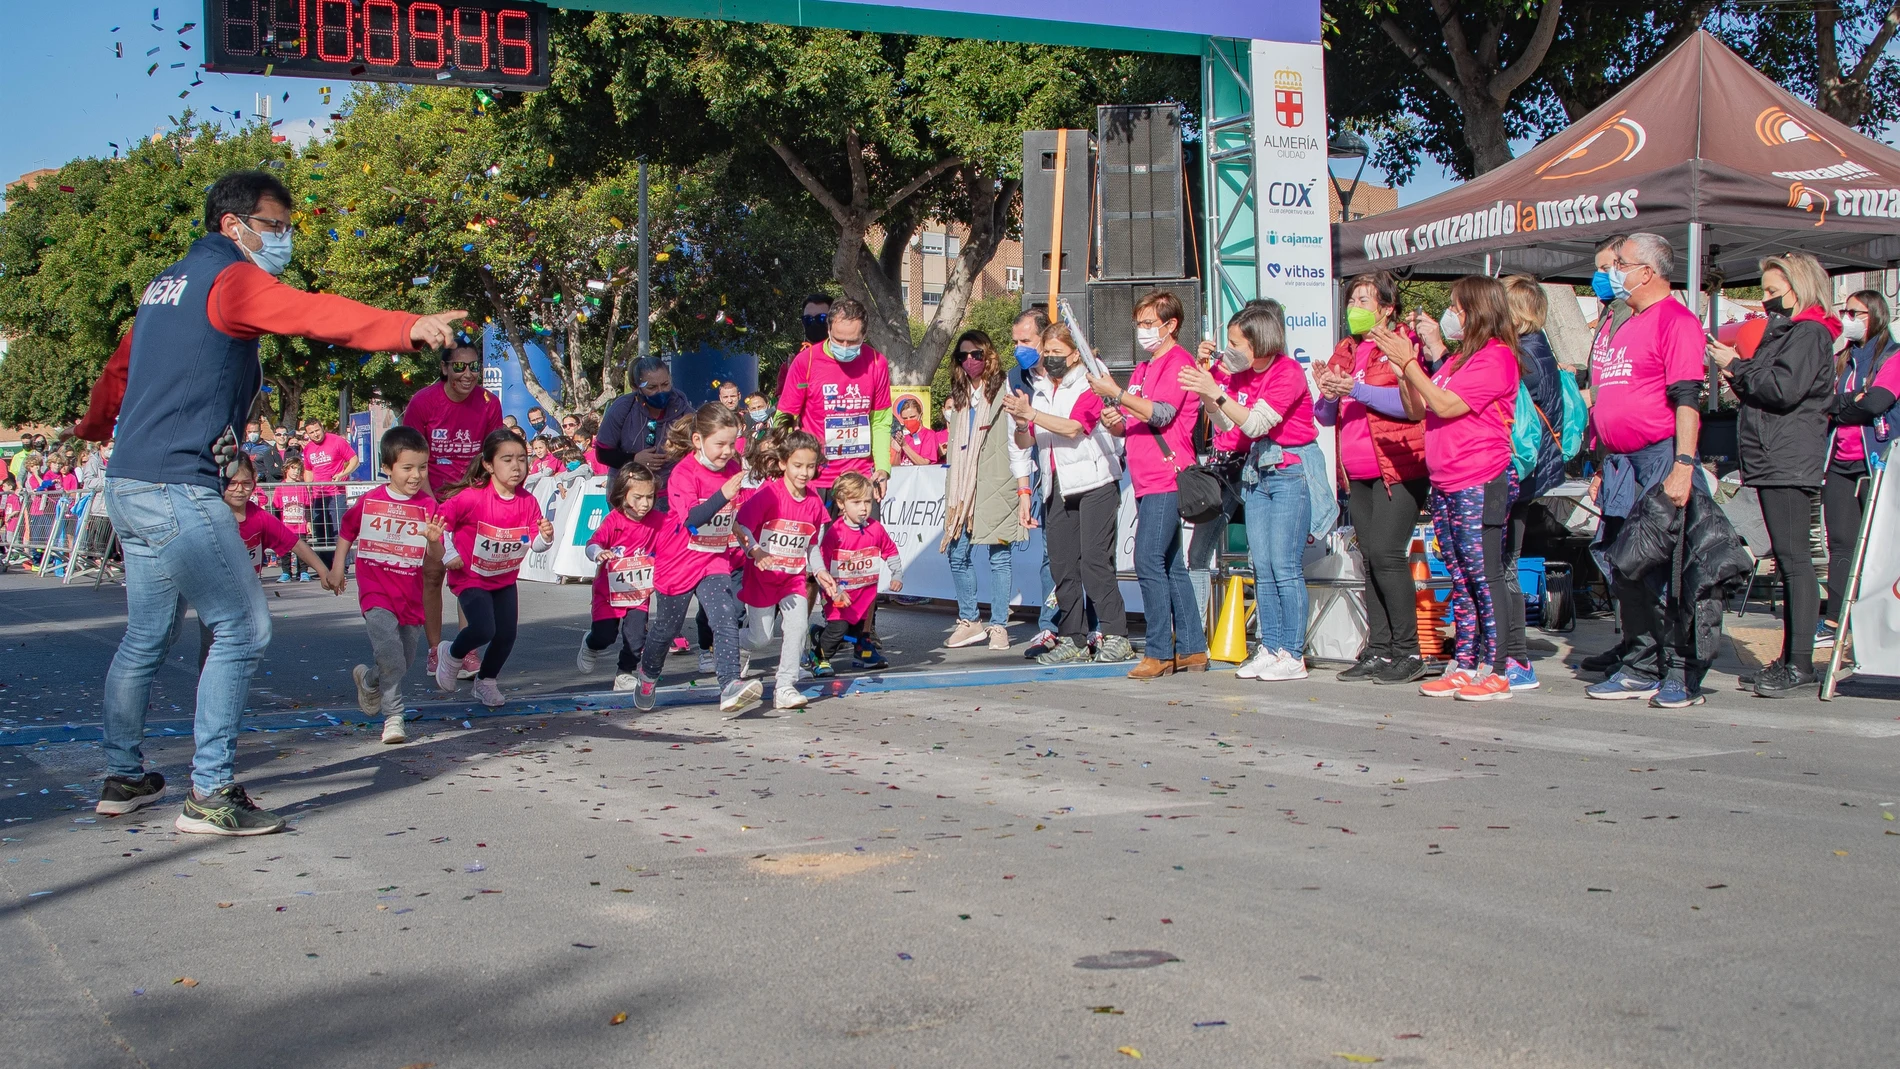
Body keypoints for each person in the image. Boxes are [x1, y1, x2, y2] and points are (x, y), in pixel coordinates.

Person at [75, 168, 462, 833]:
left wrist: (93, 428)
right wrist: (406, 327)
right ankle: (212, 791)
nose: (283, 240)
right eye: (275, 227)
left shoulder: (163, 287)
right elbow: (313, 312)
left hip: (131, 481)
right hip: (175, 483)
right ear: (235, 225)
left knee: (147, 633)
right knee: (244, 625)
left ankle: (123, 773)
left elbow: (119, 370)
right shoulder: (230, 280)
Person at [1377, 275, 1522, 702]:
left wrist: (1408, 365)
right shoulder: (1460, 360)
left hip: (1481, 478)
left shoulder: (1498, 358)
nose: (1452, 316)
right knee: (1459, 575)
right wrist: (1404, 368)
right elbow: (1417, 408)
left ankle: (1495, 668)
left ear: (1479, 311)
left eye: (1458, 308)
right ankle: (1465, 662)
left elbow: (1446, 405)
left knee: (1483, 572)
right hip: (1447, 480)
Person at [1581, 232, 1710, 707]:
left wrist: (1683, 464)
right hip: (1619, 463)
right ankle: (1638, 663)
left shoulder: (1675, 321)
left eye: (1622, 263)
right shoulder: (1623, 322)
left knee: (1664, 569)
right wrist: (1600, 464)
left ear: (1647, 272)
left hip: (1659, 458)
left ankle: (1679, 670)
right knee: (1623, 567)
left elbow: (1687, 400)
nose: (1614, 271)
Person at [1707, 252, 1838, 697]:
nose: (1765, 300)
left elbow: (1783, 388)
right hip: (1774, 452)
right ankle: (1791, 657)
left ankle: (1799, 662)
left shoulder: (1809, 333)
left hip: (1786, 454)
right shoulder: (1792, 333)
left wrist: (1735, 365)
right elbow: (1771, 384)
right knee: (1788, 560)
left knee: (1794, 559)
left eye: (1770, 290)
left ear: (1797, 288)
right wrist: (1741, 373)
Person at [1181, 300, 1320, 682]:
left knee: (1285, 566)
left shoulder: (1287, 373)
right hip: (1256, 473)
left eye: (1237, 344)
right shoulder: (1241, 378)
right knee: (1261, 565)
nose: (1231, 351)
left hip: (1290, 472)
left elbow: (1258, 422)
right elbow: (1228, 424)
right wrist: (1209, 393)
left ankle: (1292, 652)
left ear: (1259, 342)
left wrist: (1218, 392)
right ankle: (1270, 646)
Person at [1316, 275, 1430, 684]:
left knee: (1387, 555)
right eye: (1351, 299)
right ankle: (1379, 650)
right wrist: (1328, 393)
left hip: (1398, 469)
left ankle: (1410, 650)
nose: (1354, 306)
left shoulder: (1400, 344)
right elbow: (1325, 416)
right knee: (1370, 562)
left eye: (1364, 299)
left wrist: (1356, 390)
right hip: (1358, 474)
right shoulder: (1347, 350)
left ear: (1386, 308)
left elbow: (1410, 404)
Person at [1088, 290, 1207, 679]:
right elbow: (1134, 419)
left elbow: (1164, 412)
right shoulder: (1143, 368)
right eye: (1138, 324)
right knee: (1171, 563)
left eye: (1148, 323)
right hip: (1143, 476)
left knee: (1147, 560)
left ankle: (1159, 650)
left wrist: (1117, 394)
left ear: (1170, 325)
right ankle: (1191, 647)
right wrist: (1116, 419)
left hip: (1166, 476)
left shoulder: (1178, 363)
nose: (1142, 331)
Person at [1004, 322, 1133, 665]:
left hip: (1094, 481)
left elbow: (1076, 427)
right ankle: (1072, 636)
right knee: (1062, 565)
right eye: (1047, 353)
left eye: (1057, 352)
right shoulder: (1044, 388)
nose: (1050, 359)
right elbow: (1026, 440)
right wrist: (1020, 422)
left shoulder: (1090, 382)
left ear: (1076, 353)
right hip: (1056, 483)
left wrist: (1032, 414)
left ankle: (1115, 633)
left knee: (1094, 561)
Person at [627, 403, 760, 715]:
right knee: (665, 629)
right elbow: (692, 519)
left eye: (732, 443)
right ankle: (647, 674)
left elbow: (731, 513)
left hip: (714, 558)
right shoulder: (684, 473)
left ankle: (729, 685)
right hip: (679, 560)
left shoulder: (731, 469)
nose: (728, 451)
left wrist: (742, 535)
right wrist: (723, 495)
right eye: (720, 444)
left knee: (725, 615)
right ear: (698, 440)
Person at [326, 426, 449, 745]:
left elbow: (437, 554)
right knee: (390, 653)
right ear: (387, 468)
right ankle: (394, 717)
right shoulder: (370, 500)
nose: (416, 475)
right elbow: (347, 531)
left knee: (401, 660)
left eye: (422, 467)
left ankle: (368, 680)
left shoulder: (428, 505)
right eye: (407, 467)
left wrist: (434, 543)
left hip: (410, 595)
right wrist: (338, 567)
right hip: (375, 592)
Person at [402, 340, 506, 680]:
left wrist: (486, 495)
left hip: (471, 501)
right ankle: (435, 650)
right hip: (431, 497)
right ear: (445, 368)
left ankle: (467, 650)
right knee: (433, 575)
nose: (468, 374)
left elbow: (493, 453)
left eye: (474, 366)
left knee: (468, 579)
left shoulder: (490, 403)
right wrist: (429, 501)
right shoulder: (423, 402)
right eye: (459, 367)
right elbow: (413, 457)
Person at [431, 430, 554, 707]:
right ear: (488, 464)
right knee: (484, 628)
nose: (516, 467)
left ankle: (485, 681)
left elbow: (532, 544)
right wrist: (448, 554)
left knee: (507, 634)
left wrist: (545, 537)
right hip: (470, 576)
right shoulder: (471, 498)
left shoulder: (528, 501)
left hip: (504, 578)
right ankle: (451, 654)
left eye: (522, 459)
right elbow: (439, 524)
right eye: (507, 460)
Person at [1495, 276, 1569, 692]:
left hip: (1515, 475)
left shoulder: (1526, 357)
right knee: (1503, 563)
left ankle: (1516, 656)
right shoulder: (1535, 350)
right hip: (1523, 474)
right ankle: (1506, 650)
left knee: (1504, 564)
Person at [940, 330, 1031, 651]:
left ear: (989, 355)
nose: (969, 361)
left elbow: (1018, 441)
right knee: (957, 551)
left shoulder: (1007, 390)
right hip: (962, 491)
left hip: (998, 482)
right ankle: (970, 619)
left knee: (1000, 556)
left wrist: (1023, 490)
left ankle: (999, 626)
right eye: (963, 356)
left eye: (976, 354)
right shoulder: (960, 396)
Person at [1820, 291, 1900, 647]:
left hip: (1877, 461)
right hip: (1838, 462)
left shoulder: (1893, 357)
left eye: (1855, 312)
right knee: (1840, 543)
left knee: (1881, 545)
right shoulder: (1842, 359)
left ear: (1875, 315)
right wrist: (1853, 401)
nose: (1847, 317)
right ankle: (1836, 620)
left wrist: (1844, 406)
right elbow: (1822, 401)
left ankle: (1876, 619)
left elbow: (1878, 403)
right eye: (1844, 311)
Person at [736, 428, 830, 708]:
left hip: (793, 579)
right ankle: (736, 643)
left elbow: (812, 545)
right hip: (762, 577)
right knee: (761, 637)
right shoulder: (768, 495)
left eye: (810, 466)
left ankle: (785, 687)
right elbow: (740, 525)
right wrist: (754, 549)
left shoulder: (814, 502)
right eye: (798, 465)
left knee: (798, 628)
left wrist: (821, 570)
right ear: (782, 463)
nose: (804, 472)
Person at [774, 297, 895, 506]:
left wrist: (883, 469)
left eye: (853, 341)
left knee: (865, 540)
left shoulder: (877, 362)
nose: (845, 347)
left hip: (860, 479)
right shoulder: (806, 361)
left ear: (864, 335)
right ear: (829, 330)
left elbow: (881, 421)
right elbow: (783, 418)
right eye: (839, 340)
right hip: (815, 479)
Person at [1009, 307, 1070, 658]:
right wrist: (1023, 490)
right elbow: (1016, 440)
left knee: (1087, 557)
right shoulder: (1017, 377)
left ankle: (1091, 626)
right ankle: (1049, 626)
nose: (1019, 348)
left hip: (1083, 475)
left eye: (1026, 341)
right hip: (1046, 474)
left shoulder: (1074, 368)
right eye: (1015, 341)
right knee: (1050, 554)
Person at [578, 463, 664, 692]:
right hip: (608, 594)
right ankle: (590, 643)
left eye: (650, 497)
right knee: (604, 636)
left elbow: (671, 543)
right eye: (638, 497)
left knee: (636, 640)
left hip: (638, 593)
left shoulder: (658, 521)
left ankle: (625, 673)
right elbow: (592, 544)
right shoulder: (614, 521)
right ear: (622, 495)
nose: (645, 504)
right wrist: (598, 553)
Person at [815, 472, 903, 673]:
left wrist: (897, 574)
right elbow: (822, 564)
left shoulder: (876, 529)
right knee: (839, 629)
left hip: (863, 596)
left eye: (868, 502)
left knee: (857, 632)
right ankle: (819, 656)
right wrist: (832, 591)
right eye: (856, 502)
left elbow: (890, 551)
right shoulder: (835, 533)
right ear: (841, 503)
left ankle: (861, 653)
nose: (864, 508)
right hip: (839, 594)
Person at [596, 356, 696, 491]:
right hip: (627, 493)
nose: (660, 391)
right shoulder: (622, 409)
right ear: (636, 387)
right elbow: (602, 454)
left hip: (670, 491)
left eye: (665, 384)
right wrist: (634, 459)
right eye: (652, 387)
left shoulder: (684, 410)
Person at [300, 415, 357, 564]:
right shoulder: (308, 449)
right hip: (318, 495)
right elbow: (308, 470)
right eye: (311, 433)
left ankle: (341, 565)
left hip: (336, 493)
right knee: (321, 531)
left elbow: (354, 460)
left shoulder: (337, 441)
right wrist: (308, 486)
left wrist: (343, 474)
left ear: (322, 427)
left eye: (317, 430)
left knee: (338, 530)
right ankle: (325, 566)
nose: (315, 434)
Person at [777, 293, 835, 399]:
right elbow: (784, 406)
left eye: (821, 319)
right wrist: (794, 378)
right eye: (807, 319)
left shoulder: (849, 357)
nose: (813, 323)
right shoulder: (792, 363)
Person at [270, 457, 315, 582]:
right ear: (286, 469)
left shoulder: (301, 487)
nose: (296, 472)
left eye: (299, 469)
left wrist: (309, 522)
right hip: (285, 525)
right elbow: (276, 508)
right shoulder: (280, 488)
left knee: (302, 549)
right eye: (293, 468)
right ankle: (286, 572)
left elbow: (307, 506)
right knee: (285, 550)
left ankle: (303, 572)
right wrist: (275, 525)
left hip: (300, 524)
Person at [892, 395, 944, 466]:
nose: (909, 420)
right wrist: (898, 451)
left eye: (912, 417)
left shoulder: (929, 435)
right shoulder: (905, 438)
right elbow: (896, 467)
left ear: (920, 415)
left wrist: (904, 446)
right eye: (905, 418)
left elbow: (925, 464)